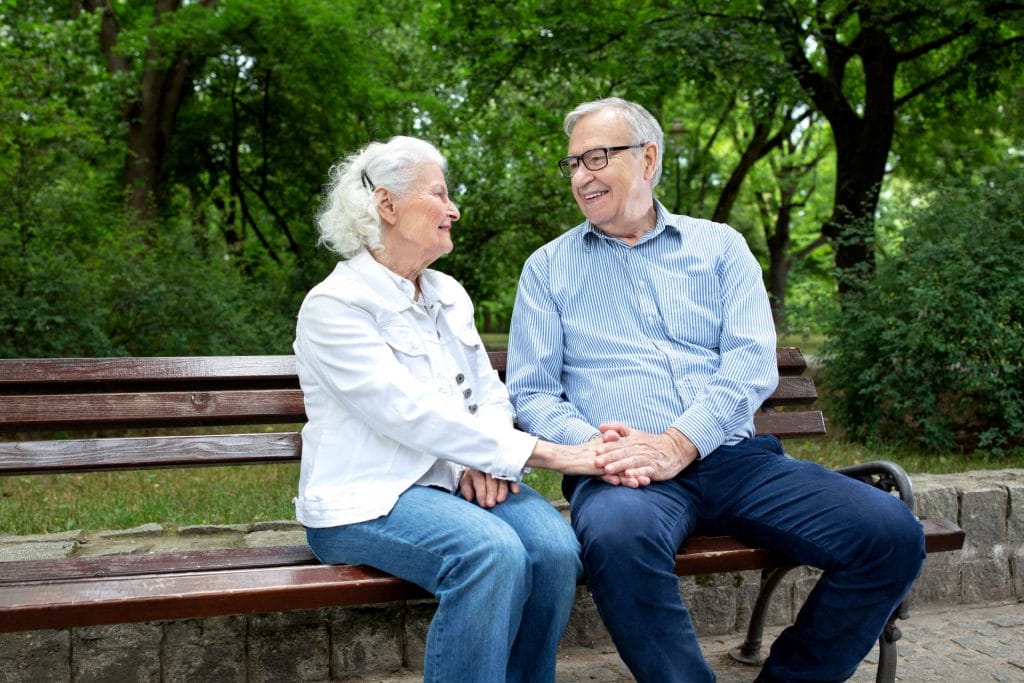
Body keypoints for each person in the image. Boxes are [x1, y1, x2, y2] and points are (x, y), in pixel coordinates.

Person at [506, 98, 926, 683]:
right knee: (616, 537)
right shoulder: (548, 269)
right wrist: (608, 452)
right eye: (573, 162)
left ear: (648, 158)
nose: (582, 175)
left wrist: (680, 441)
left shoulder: (720, 247)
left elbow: (751, 364)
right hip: (621, 476)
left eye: (597, 157)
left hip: (735, 461)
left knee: (891, 534)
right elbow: (533, 394)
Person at [293, 135, 604, 683]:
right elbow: (406, 413)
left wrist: (484, 461)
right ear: (386, 205)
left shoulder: (447, 294)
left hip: (455, 480)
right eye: (439, 194)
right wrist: (549, 455)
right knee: (490, 554)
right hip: (366, 499)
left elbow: (488, 393)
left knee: (555, 550)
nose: (453, 209)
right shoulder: (334, 307)